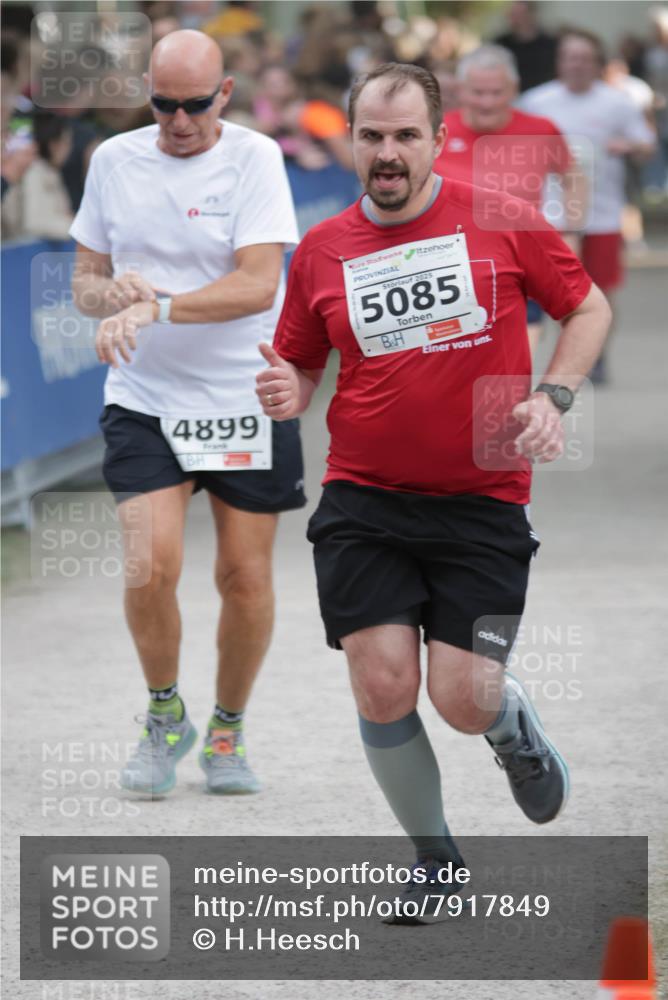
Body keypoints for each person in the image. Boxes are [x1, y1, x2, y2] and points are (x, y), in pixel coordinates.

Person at [256, 63, 611, 922]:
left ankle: (509, 726)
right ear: (350, 140)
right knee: (381, 687)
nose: (387, 154)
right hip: (364, 501)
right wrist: (288, 393)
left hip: (482, 501)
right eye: (372, 136)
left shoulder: (501, 219)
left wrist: (551, 395)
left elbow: (587, 307)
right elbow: (301, 362)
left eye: (405, 136)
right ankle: (435, 858)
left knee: (463, 698)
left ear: (438, 139)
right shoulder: (323, 249)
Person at [70, 29, 303, 797]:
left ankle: (228, 729)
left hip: (244, 393)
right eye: (163, 105)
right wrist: (114, 301)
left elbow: (258, 286)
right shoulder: (113, 161)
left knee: (242, 576)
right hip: (145, 398)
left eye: (195, 106)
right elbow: (85, 283)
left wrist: (159, 308)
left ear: (225, 95)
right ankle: (166, 714)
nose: (178, 121)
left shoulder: (255, 158)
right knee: (149, 565)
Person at [434, 44, 586, 354]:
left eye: (496, 92)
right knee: (452, 364)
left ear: (514, 89)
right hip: (448, 271)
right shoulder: (437, 133)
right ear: (461, 90)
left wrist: (572, 230)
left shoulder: (540, 130)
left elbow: (573, 177)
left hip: (520, 267)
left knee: (515, 365)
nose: (487, 102)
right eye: (478, 92)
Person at [521, 30, 655, 383]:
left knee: (600, 291)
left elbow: (647, 144)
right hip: (549, 216)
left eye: (584, 58)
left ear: (597, 63)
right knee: (544, 294)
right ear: (560, 61)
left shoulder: (618, 102)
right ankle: (552, 360)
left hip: (602, 215)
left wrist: (629, 146)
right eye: (569, 57)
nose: (576, 65)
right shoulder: (536, 101)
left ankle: (595, 356)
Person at [493, 0, 557, 92]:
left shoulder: (550, 43)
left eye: (520, 14)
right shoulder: (500, 44)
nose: (516, 19)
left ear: (531, 15)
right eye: (512, 14)